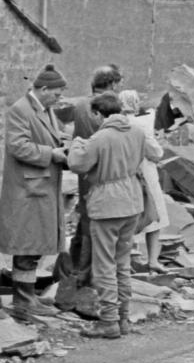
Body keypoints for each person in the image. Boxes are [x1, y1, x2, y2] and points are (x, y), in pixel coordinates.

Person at [67, 91, 163, 338]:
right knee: (122, 262)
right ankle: (123, 318)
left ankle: (108, 320)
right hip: (132, 201)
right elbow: (156, 153)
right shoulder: (138, 131)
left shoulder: (100, 138)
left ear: (98, 114)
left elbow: (78, 164)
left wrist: (77, 143)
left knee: (104, 264)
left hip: (107, 204)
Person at [0, 64, 69, 322]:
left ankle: (28, 298)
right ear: (43, 89)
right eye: (56, 94)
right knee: (26, 246)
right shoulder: (20, 110)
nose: (59, 99)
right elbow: (18, 146)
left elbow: (47, 138)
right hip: (28, 190)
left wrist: (64, 146)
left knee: (34, 247)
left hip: (41, 186)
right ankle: (23, 303)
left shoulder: (44, 109)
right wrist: (52, 154)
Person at [53, 64, 123, 314]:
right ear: (113, 84)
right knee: (104, 236)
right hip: (110, 180)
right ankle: (92, 287)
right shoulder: (114, 110)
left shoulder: (80, 105)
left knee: (85, 227)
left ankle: (75, 277)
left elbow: (56, 114)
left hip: (86, 177)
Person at [120, 89, 169, 272]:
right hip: (146, 173)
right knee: (154, 216)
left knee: (127, 218)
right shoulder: (140, 125)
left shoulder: (114, 123)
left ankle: (125, 260)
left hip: (124, 175)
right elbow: (156, 153)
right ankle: (153, 260)